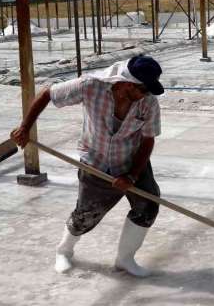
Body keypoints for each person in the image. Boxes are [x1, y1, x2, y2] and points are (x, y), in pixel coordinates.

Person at [11, 55, 164, 276]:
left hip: (132, 160)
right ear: (128, 84)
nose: (147, 95)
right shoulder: (90, 86)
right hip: (96, 162)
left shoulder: (148, 103)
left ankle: (125, 259)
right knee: (86, 215)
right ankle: (64, 250)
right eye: (144, 90)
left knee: (148, 205)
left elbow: (148, 139)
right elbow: (47, 93)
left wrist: (131, 176)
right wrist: (24, 128)